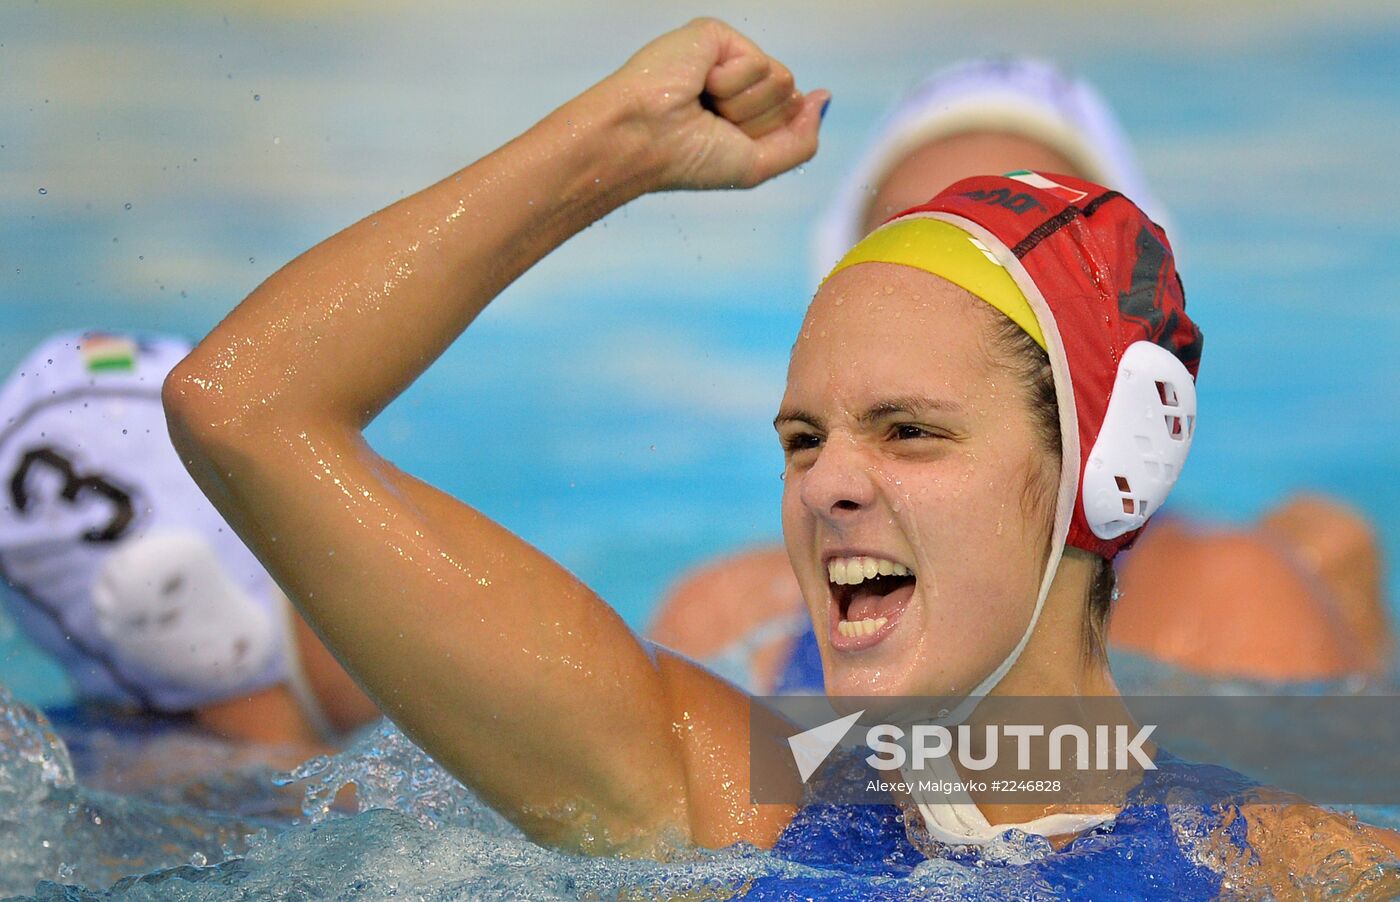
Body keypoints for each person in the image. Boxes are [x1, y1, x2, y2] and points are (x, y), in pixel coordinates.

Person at [161, 19, 1399, 892]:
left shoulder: (1291, 872)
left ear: (1105, 465)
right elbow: (243, 409)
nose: (827, 483)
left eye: (909, 431)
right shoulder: (723, 804)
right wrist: (607, 154)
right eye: (801, 438)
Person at [649, 57, 1392, 693]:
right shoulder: (737, 628)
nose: (951, 284)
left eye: (1018, 246)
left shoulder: (1235, 600)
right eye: (917, 236)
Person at [0, 331, 380, 752]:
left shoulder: (66, 770)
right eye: (337, 540)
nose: (387, 560)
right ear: (189, 602)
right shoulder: (364, 813)